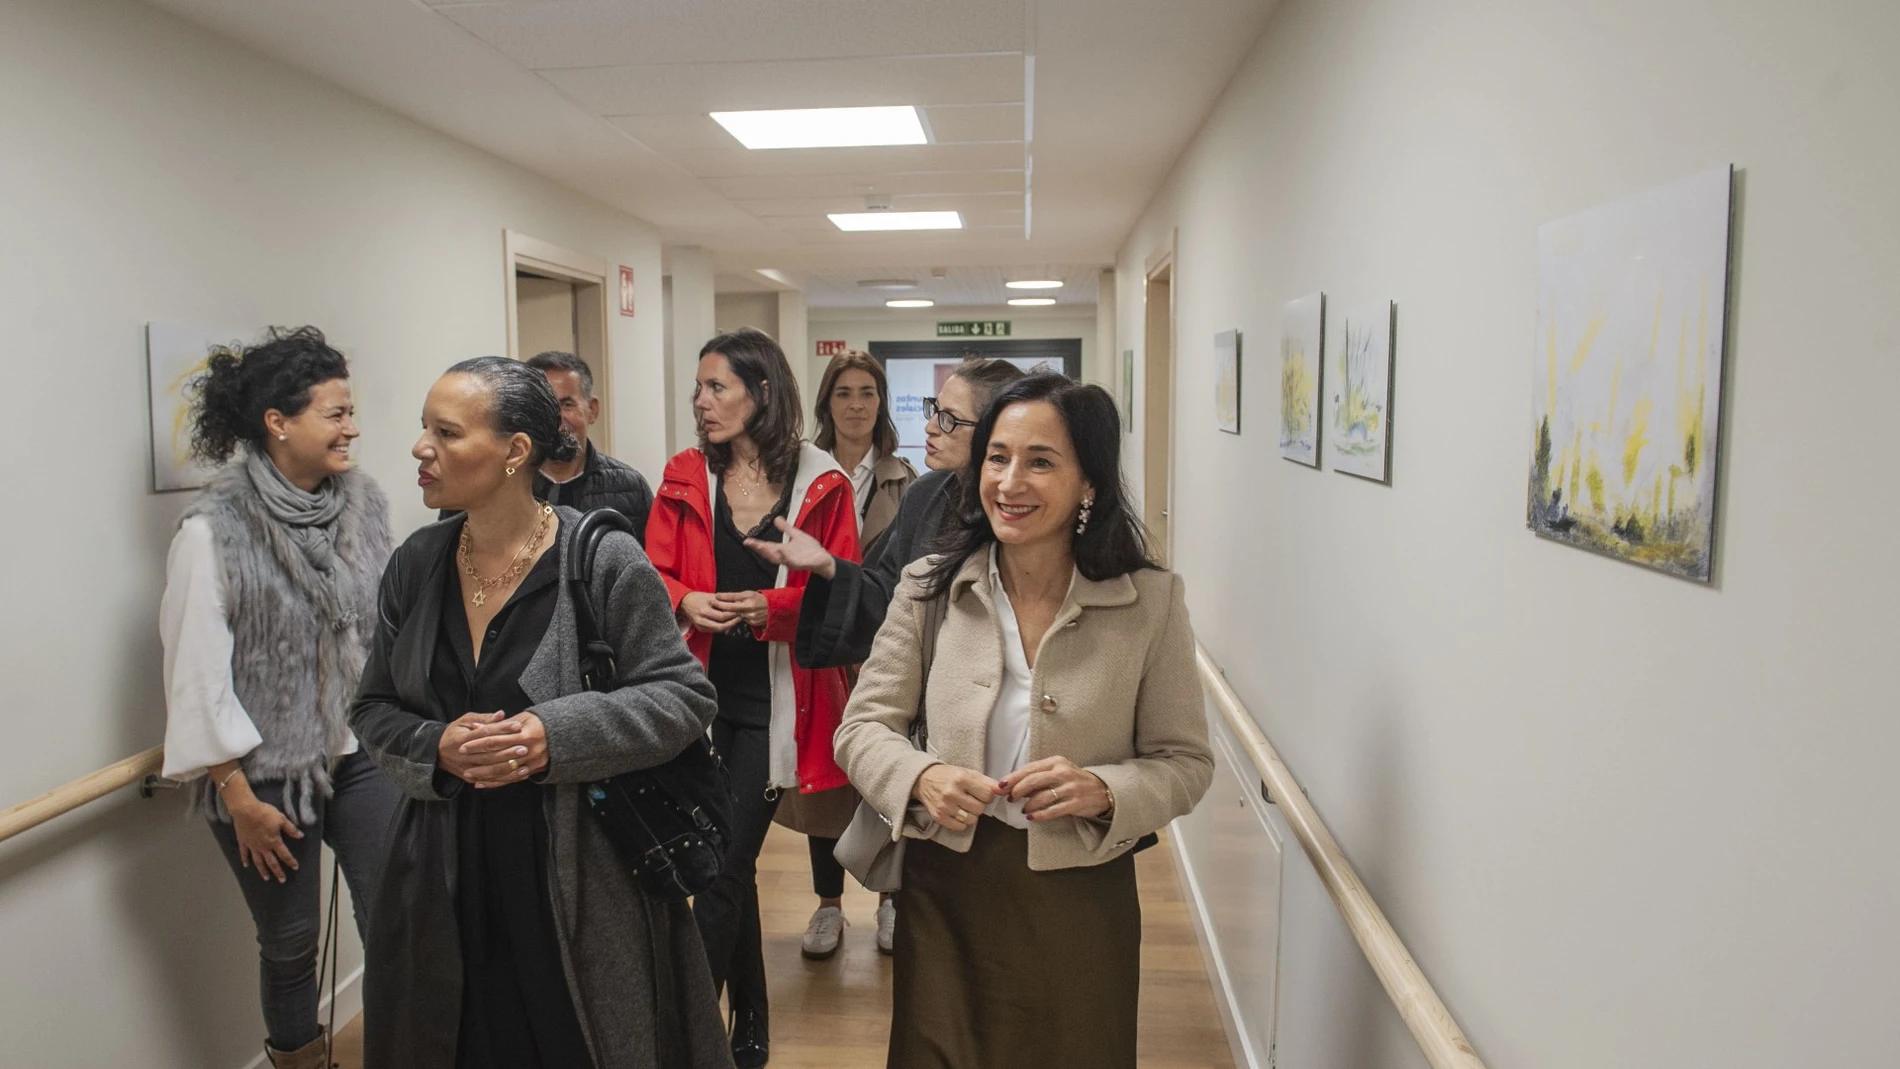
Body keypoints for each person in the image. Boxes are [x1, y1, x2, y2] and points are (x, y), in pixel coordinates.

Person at [348, 357, 729, 1069]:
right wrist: (437, 746)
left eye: (446, 431)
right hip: (439, 875)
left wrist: (554, 735)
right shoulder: (417, 563)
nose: (420, 447)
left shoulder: (600, 559)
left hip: (577, 875)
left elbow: (683, 696)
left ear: (515, 452)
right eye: (423, 428)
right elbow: (372, 706)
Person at [833, 373, 1215, 1069]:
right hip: (948, 888)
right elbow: (861, 728)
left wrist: (1106, 790)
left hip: (1080, 897)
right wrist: (923, 775)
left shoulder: (1149, 602)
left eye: (1040, 460)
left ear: (1090, 482)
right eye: (997, 456)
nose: (1010, 481)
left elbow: (1186, 761)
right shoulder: (928, 586)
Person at [158, 326, 398, 1069]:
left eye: (351, 409)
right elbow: (194, 671)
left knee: (397, 915)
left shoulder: (366, 505)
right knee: (291, 944)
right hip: (262, 777)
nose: (352, 426)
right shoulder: (212, 533)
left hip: (358, 754)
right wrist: (235, 793)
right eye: (335, 411)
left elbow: (381, 627)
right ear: (278, 422)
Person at [747, 356, 1024, 954]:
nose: (931, 427)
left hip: (1008, 735)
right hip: (930, 735)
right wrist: (824, 564)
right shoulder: (929, 496)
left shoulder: (1027, 514)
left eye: (950, 419)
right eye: (934, 412)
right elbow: (886, 592)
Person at [645, 328, 861, 1069]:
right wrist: (688, 597)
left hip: (779, 704)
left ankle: (685, 1038)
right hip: (695, 701)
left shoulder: (822, 481)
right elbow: (650, 580)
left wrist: (767, 611)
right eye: (699, 389)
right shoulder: (682, 476)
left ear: (762, 392)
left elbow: (843, 599)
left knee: (723, 866)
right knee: (721, 859)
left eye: (718, 388)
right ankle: (753, 1029)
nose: (701, 403)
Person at [774, 350, 915, 960]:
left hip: (886, 646)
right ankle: (828, 907)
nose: (856, 405)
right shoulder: (801, 472)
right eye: (844, 393)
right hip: (824, 648)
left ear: (881, 404)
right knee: (825, 781)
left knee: (885, 775)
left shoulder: (906, 481)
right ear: (826, 404)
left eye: (868, 393)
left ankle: (889, 901)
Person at [438, 351, 654, 536]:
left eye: (567, 404)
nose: (556, 418)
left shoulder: (630, 488)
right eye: (544, 405)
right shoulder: (489, 486)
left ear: (592, 410)